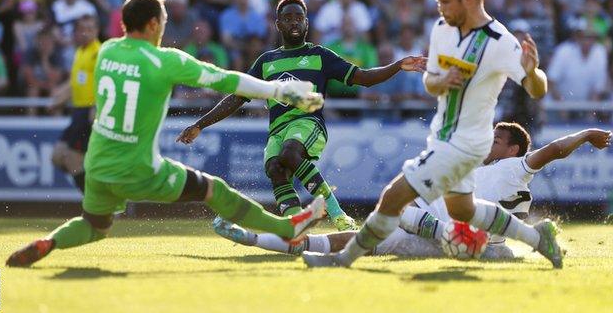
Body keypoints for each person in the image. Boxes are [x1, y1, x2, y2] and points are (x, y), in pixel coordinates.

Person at [5, 0, 326, 268]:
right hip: (139, 169)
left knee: (94, 226)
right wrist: (278, 91)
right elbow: (225, 79)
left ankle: (50, 243)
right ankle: (286, 228)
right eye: (164, 22)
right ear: (154, 25)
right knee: (215, 191)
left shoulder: (106, 52)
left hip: (98, 167)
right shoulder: (165, 61)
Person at [301, 0, 563, 269]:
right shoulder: (443, 29)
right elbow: (431, 82)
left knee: (393, 198)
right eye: (438, 1)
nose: (440, 8)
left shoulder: (500, 41)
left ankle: (341, 260)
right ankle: (537, 237)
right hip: (443, 134)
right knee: (465, 209)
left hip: (467, 141)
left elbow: (537, 89)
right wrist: (439, 79)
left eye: (446, 1)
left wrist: (532, 72)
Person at [176, 0, 426, 231]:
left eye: (299, 17)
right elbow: (236, 97)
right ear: (278, 24)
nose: (294, 21)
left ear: (307, 22)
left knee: (289, 153)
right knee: (275, 167)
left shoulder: (320, 56)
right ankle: (295, 227)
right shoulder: (266, 61)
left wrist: (397, 65)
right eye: (288, 17)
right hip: (277, 130)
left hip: (309, 123)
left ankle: (338, 214)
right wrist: (200, 124)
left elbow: (364, 78)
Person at [211, 124, 612, 260]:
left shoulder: (517, 168)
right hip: (433, 235)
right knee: (363, 237)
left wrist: (587, 135)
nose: (491, 141)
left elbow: (555, 150)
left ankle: (476, 244)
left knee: (401, 213)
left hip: (461, 238)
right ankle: (257, 240)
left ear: (513, 149)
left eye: (498, 138)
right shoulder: (469, 168)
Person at [49, 15, 101, 195]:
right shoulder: (80, 52)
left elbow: (104, 83)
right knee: (57, 157)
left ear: (96, 31)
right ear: (76, 32)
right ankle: (93, 188)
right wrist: (58, 102)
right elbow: (75, 83)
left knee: (71, 160)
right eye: (82, 29)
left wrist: (96, 108)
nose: (86, 33)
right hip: (77, 112)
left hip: (88, 113)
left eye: (90, 28)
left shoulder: (98, 53)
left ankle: (97, 203)